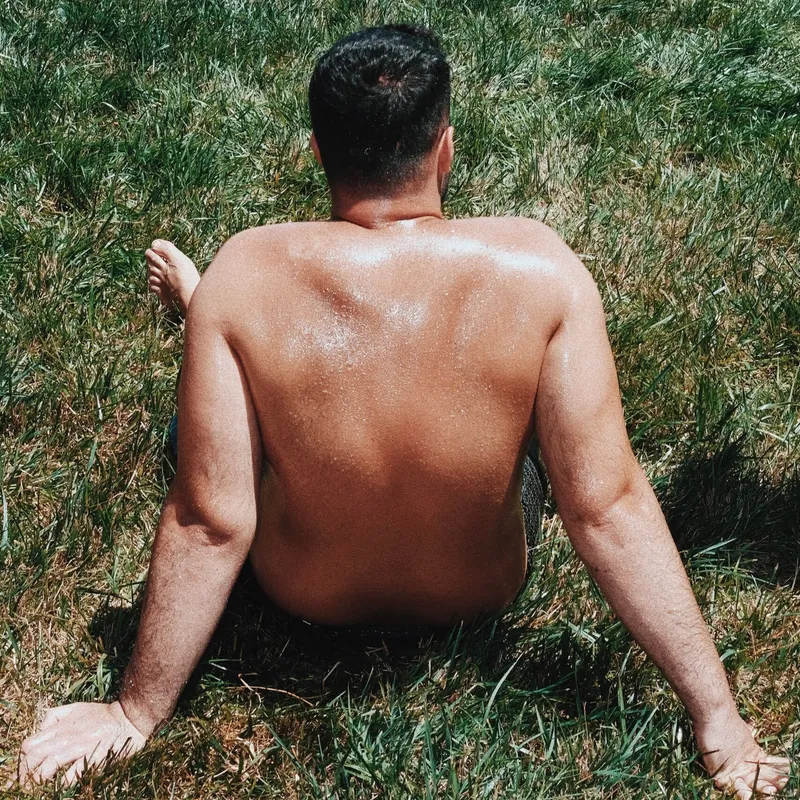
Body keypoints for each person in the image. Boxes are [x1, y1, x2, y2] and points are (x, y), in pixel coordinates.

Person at [16, 25, 790, 798]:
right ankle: (232, 334)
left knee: (202, 424)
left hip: (304, 594)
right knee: (524, 426)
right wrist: (719, 721)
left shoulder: (244, 267)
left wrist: (136, 710)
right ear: (445, 149)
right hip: (478, 593)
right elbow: (607, 506)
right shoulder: (541, 268)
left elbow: (211, 521)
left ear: (316, 153)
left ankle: (217, 328)